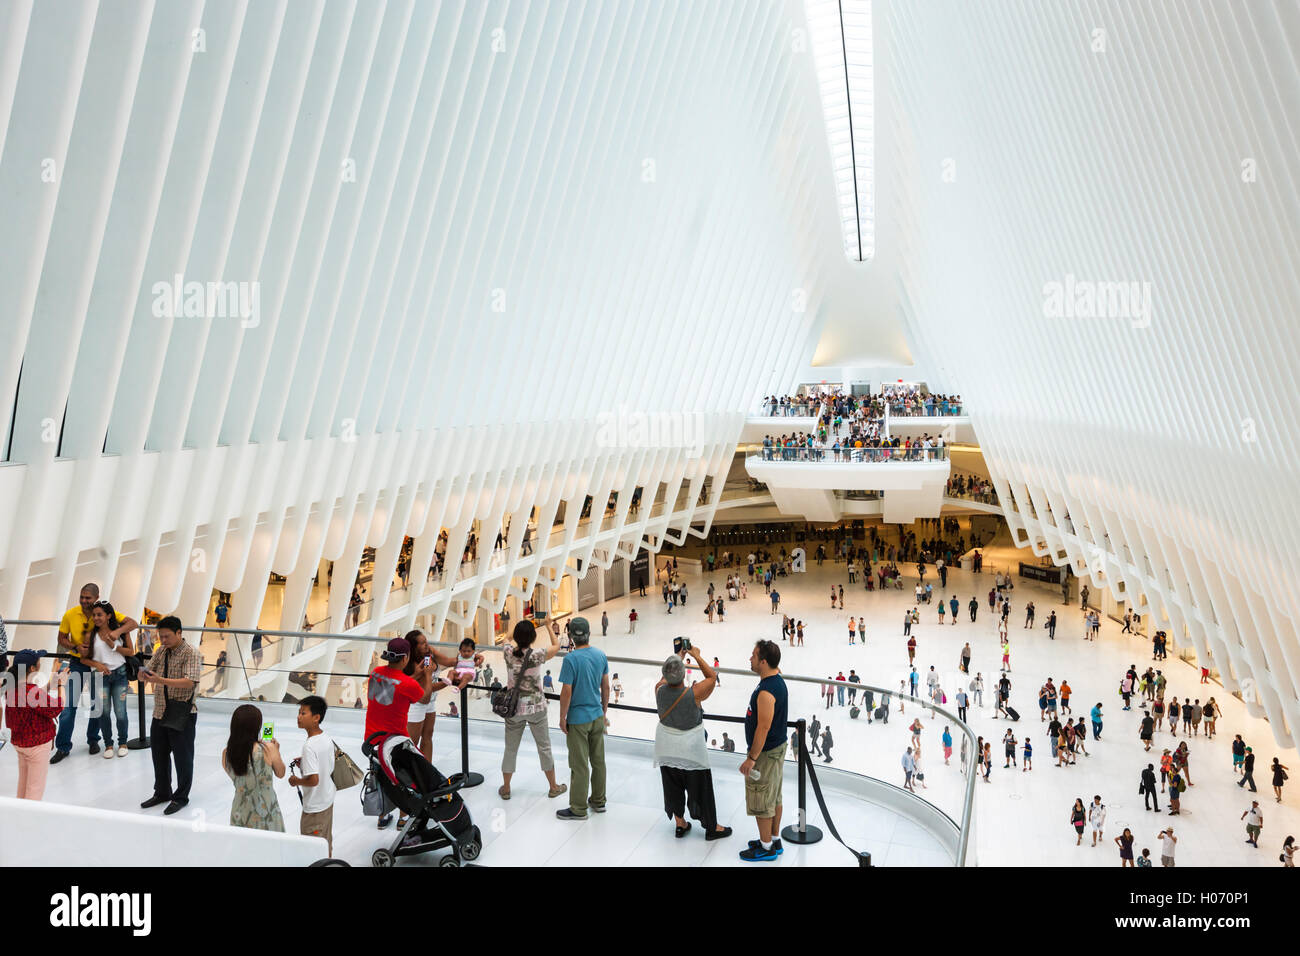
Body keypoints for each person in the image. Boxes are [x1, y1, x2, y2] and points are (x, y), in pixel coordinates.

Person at [52, 585, 137, 763]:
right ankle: (63, 747)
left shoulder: (103, 611)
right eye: (82, 597)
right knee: (69, 707)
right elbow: (61, 638)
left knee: (97, 707)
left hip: (104, 669)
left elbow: (132, 623)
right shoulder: (70, 615)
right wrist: (75, 647)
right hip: (80, 662)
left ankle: (93, 740)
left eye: (88, 598)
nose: (84, 601)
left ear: (97, 597)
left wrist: (115, 634)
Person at [653, 648, 731, 841]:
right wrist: (695, 655)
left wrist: (678, 657)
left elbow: (666, 676)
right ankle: (711, 827)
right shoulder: (693, 694)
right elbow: (712, 677)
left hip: (666, 748)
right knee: (700, 787)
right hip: (691, 751)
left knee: (672, 785)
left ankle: (680, 823)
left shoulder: (659, 690)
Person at [139, 616, 201, 815]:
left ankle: (181, 796)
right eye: (161, 636)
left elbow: (190, 682)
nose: (163, 640)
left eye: (167, 636)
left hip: (182, 712)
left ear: (179, 633)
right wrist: (144, 675)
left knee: (183, 758)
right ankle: (162, 792)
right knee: (159, 754)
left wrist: (160, 680)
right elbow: (150, 670)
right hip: (160, 711)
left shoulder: (190, 653)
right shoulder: (161, 650)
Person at [499, 620, 566, 801]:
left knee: (511, 749)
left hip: (514, 709)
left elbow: (506, 637)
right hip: (536, 708)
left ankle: (506, 788)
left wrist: (514, 631)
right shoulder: (537, 655)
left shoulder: (508, 653)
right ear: (533, 638)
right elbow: (556, 646)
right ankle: (553, 786)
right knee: (544, 747)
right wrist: (548, 626)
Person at [557, 617, 609, 821]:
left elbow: (566, 691)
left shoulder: (570, 659)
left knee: (579, 764)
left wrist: (562, 717)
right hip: (597, 715)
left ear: (571, 636)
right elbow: (605, 687)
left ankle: (578, 808)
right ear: (589, 633)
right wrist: (603, 712)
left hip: (578, 720)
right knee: (598, 761)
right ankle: (598, 801)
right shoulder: (600, 654)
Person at [3, 649, 66, 799]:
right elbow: (57, 707)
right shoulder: (31, 691)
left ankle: (20, 816)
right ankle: (29, 821)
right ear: (32, 668)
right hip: (36, 745)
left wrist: (51, 684)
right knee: (35, 788)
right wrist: (61, 686)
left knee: (23, 784)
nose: (40, 662)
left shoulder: (12, 687)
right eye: (38, 661)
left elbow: (33, 698)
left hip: (20, 743)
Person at [83, 600, 137, 759]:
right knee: (104, 713)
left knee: (120, 712)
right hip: (100, 677)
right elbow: (83, 659)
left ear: (108, 616)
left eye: (99, 614)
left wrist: (112, 645)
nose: (96, 618)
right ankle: (108, 744)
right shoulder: (90, 635)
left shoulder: (120, 632)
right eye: (94, 615)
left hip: (120, 675)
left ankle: (122, 743)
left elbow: (130, 652)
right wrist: (97, 665)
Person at [221, 703, 286, 832]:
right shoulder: (268, 748)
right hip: (267, 811)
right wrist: (276, 751)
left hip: (240, 811)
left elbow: (240, 779)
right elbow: (281, 773)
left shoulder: (226, 753)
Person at [286, 695, 336, 855]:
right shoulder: (326, 738)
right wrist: (306, 764)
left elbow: (313, 780)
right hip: (327, 800)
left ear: (316, 718)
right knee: (325, 842)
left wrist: (296, 781)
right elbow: (325, 764)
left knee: (312, 850)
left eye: (303, 713)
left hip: (315, 808)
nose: (299, 717)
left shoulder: (309, 746)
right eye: (299, 713)